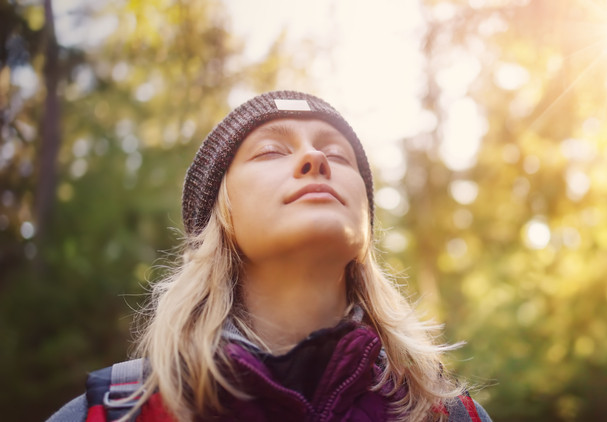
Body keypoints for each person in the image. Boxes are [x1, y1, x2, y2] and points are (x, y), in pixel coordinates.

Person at [48, 91, 491, 422]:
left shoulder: (449, 415)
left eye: (338, 154)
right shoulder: (112, 412)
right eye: (272, 151)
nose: (316, 158)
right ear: (219, 217)